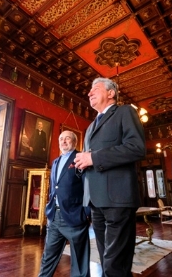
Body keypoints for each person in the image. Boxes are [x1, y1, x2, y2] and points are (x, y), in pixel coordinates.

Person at [74, 77, 146, 276]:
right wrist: (81, 163)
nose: (89, 93)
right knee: (107, 258)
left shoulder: (125, 112)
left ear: (111, 93)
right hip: (95, 200)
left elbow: (136, 148)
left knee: (115, 262)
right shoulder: (90, 127)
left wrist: (93, 158)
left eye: (94, 88)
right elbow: (90, 160)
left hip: (118, 198)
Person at [38, 130, 90, 277]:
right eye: (61, 139)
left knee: (80, 261)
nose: (63, 141)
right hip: (54, 217)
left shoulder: (80, 158)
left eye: (67, 138)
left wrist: (86, 212)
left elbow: (88, 187)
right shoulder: (55, 161)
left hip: (75, 216)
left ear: (74, 141)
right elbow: (53, 188)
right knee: (48, 256)